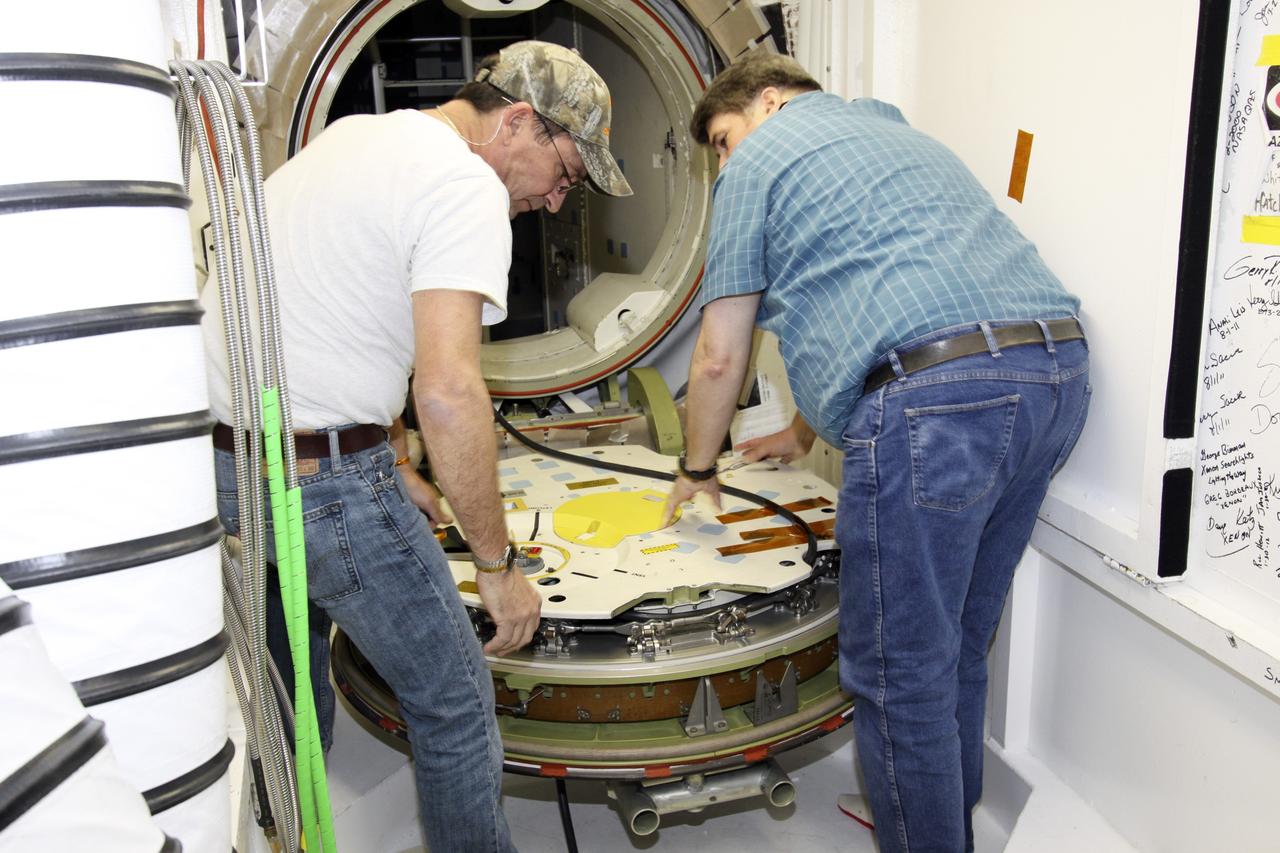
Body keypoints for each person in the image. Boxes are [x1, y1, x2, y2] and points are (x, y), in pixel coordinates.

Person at [202, 40, 632, 851]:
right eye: (566, 174)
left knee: (291, 691)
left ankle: (292, 836)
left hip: (225, 468)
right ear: (516, 123)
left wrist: (397, 458)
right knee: (456, 707)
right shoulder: (464, 184)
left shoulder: (357, 139)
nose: (554, 201)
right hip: (322, 485)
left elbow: (336, 311)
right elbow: (447, 387)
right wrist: (498, 569)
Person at [665, 52, 1090, 853]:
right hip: (1055, 374)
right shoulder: (895, 134)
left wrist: (697, 467)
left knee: (897, 679)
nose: (725, 159)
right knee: (956, 644)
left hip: (942, 402)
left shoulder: (760, 158)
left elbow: (720, 356)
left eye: (721, 139)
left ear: (765, 102)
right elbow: (876, 289)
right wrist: (801, 432)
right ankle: (944, 828)